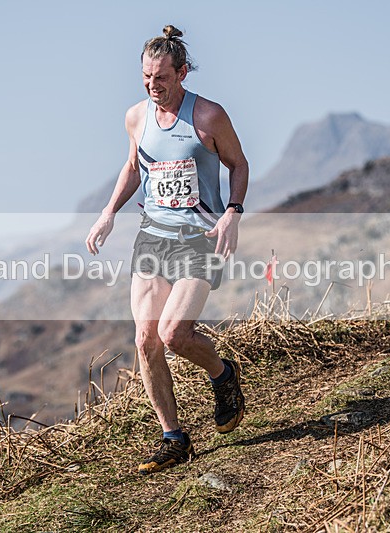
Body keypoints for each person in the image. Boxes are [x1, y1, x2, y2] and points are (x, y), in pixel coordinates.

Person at [85, 25, 250, 475]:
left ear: (182, 73)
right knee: (145, 340)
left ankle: (222, 375)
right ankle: (174, 438)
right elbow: (135, 165)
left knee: (176, 334)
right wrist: (108, 211)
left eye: (160, 77)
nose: (152, 86)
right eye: (145, 77)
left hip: (200, 237)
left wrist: (233, 212)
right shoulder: (136, 117)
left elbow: (239, 164)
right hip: (152, 237)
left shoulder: (209, 117)